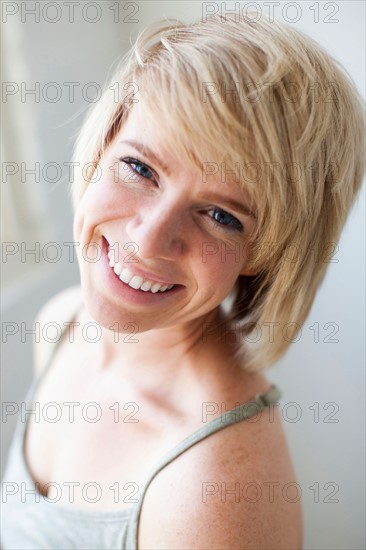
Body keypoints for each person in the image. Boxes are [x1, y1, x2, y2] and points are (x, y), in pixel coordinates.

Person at [1, 13, 364, 550]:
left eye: (221, 216)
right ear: (101, 146)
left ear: (264, 254)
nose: (148, 241)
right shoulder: (61, 323)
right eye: (140, 169)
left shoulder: (218, 491)